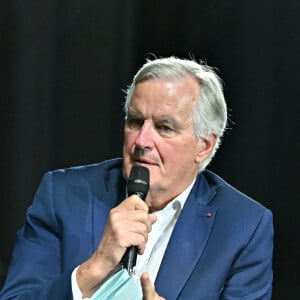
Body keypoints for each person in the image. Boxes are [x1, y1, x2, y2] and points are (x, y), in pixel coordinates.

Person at [0, 56, 273, 299]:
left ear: (203, 146)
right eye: (135, 121)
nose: (141, 140)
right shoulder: (63, 194)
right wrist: (95, 267)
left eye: (164, 127)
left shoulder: (244, 227)